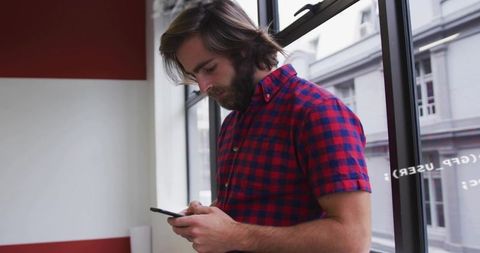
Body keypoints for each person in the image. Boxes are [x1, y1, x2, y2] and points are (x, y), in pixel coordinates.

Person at [159, 1, 372, 252]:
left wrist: (235, 235)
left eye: (209, 69)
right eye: (196, 76)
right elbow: (252, 208)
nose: (203, 87)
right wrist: (209, 219)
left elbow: (353, 240)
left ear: (243, 49)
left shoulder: (317, 112)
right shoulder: (232, 124)